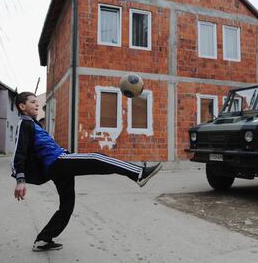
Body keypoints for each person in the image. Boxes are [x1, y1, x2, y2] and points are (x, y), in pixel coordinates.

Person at [11, 92, 162, 252]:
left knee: (67, 206)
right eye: (32, 102)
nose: (36, 105)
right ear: (22, 106)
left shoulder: (34, 124)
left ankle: (43, 239)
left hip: (59, 163)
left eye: (36, 102)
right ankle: (138, 173)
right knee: (96, 158)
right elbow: (19, 152)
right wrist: (20, 180)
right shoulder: (25, 124)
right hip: (56, 162)